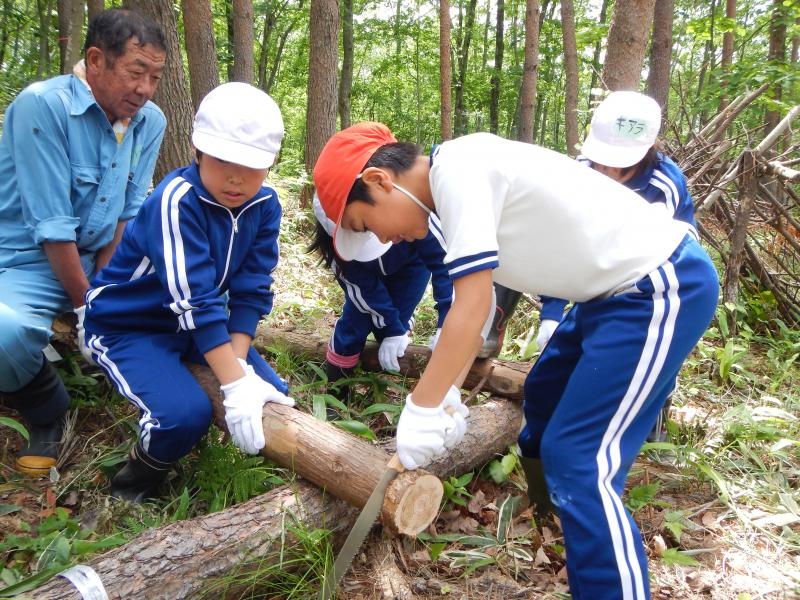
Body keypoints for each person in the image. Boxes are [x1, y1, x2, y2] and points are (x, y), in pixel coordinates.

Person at [312, 121, 719, 600]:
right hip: (605, 299)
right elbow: (473, 310)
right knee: (544, 399)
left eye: (365, 224)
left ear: (382, 181)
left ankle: (599, 556)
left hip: (659, 287)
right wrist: (446, 397)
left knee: (580, 461)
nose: (385, 239)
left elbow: (473, 305)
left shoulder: (459, 171)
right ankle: (557, 517)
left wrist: (423, 404)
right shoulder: (448, 190)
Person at [81, 82, 293, 502]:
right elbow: (195, 300)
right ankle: (134, 485)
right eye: (222, 161)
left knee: (274, 397)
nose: (236, 178)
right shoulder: (177, 200)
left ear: (269, 165)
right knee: (183, 416)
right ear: (198, 151)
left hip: (193, 330)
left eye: (251, 166)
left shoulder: (264, 205)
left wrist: (236, 362)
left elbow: (252, 288)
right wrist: (233, 386)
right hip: (129, 327)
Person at [0, 9, 167, 476]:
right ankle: (44, 403)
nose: (145, 89)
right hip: (25, 262)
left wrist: (108, 290)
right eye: (137, 73)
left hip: (97, 259)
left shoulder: (149, 121)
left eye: (155, 77)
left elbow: (128, 213)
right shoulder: (43, 106)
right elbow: (52, 226)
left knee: (188, 297)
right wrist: (87, 306)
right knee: (4, 333)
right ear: (96, 60)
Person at [537, 91, 700, 441]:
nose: (609, 171)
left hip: (654, 286)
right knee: (582, 354)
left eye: (620, 165)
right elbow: (559, 243)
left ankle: (652, 422)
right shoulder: (578, 174)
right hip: (594, 275)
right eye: (602, 161)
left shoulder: (664, 183)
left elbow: (664, 259)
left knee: (650, 361)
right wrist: (551, 311)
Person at [310, 192, 452, 397]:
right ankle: (336, 390)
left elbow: (445, 266)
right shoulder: (335, 247)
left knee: (389, 332)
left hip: (411, 268)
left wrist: (447, 324)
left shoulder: (415, 211)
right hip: (364, 278)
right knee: (354, 323)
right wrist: (392, 326)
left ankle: (400, 325)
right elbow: (363, 290)